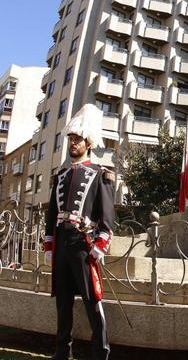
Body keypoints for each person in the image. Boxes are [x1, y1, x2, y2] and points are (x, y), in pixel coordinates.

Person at [43, 104, 115, 360]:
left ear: (88, 143)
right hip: (62, 242)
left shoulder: (100, 174)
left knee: (92, 299)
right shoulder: (60, 175)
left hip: (84, 244)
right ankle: (62, 351)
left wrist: (100, 244)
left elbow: (108, 216)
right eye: (71, 139)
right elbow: (51, 214)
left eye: (78, 139)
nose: (73, 143)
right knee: (63, 301)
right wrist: (49, 245)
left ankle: (101, 352)